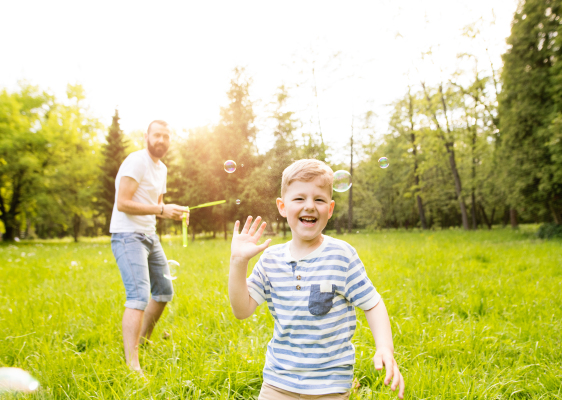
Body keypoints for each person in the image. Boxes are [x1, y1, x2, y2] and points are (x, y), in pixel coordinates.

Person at [228, 159, 405, 399]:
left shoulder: (341, 256)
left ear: (330, 209)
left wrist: (385, 347)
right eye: (299, 199)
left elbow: (372, 303)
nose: (309, 206)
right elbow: (241, 310)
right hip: (278, 381)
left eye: (319, 199)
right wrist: (238, 263)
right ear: (282, 206)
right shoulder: (271, 259)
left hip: (329, 385)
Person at [109, 120, 188, 373]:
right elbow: (123, 203)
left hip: (148, 235)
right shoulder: (136, 161)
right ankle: (133, 365)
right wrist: (162, 209)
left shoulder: (161, 168)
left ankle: (141, 342)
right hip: (127, 235)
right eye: (157, 135)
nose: (161, 140)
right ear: (146, 136)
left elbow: (157, 206)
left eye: (166, 136)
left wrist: (174, 213)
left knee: (164, 291)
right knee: (138, 297)